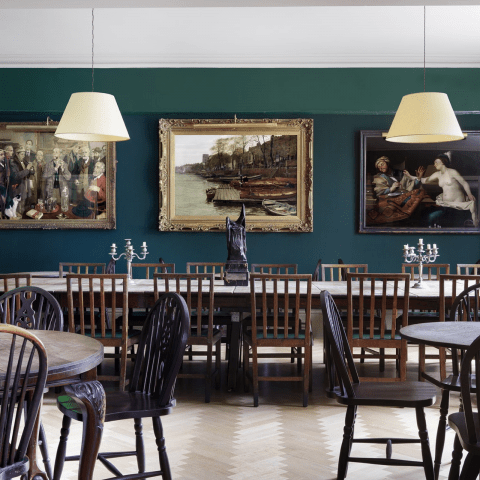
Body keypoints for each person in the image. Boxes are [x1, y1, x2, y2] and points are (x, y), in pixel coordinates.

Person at [403, 153, 478, 227]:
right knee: (430, 217)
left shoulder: (452, 172)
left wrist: (469, 194)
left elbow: (464, 183)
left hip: (457, 206)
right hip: (446, 205)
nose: (434, 164)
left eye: (436, 162)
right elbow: (424, 180)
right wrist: (410, 176)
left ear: (443, 162)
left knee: (453, 225)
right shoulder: (437, 174)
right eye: (434, 163)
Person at [367, 156, 425, 225]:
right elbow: (379, 191)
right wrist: (391, 189)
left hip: (404, 198)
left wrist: (418, 178)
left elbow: (411, 187)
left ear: (387, 163)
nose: (381, 168)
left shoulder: (401, 174)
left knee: (420, 192)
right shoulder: (378, 177)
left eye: (382, 164)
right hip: (389, 200)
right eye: (379, 167)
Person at [9, 146, 35, 216]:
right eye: (21, 154)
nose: (23, 156)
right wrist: (27, 169)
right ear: (17, 154)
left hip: (25, 187)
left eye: (24, 154)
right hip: (18, 188)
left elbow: (32, 172)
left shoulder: (23, 161)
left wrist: (31, 169)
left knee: (25, 206)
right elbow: (16, 176)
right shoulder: (13, 163)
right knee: (18, 208)